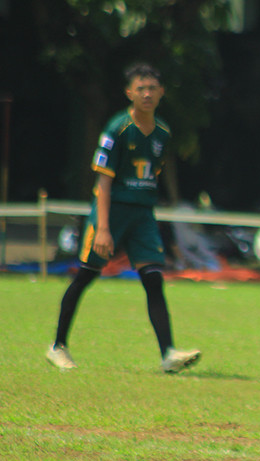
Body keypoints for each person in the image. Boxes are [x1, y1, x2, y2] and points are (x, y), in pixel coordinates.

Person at [45, 62, 200, 374]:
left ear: (162, 92)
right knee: (86, 275)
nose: (146, 94)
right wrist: (102, 228)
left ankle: (168, 353)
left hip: (142, 215)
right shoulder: (117, 128)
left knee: (154, 280)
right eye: (140, 88)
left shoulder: (163, 132)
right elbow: (102, 181)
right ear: (129, 92)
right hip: (111, 212)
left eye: (152, 88)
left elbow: (152, 173)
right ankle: (57, 346)